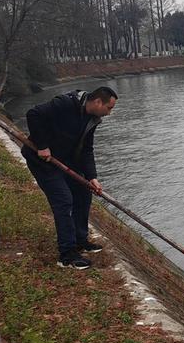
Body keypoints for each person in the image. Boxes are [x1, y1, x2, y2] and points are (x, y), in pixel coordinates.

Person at [21, 86, 116, 270]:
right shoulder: (64, 104)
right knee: (64, 200)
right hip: (42, 161)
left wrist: (92, 177)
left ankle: (81, 240)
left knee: (83, 192)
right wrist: (42, 145)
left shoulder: (92, 120)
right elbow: (33, 114)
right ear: (98, 102)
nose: (109, 113)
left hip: (64, 160)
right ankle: (67, 255)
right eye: (109, 108)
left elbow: (87, 150)